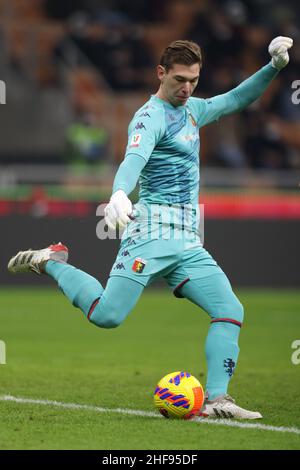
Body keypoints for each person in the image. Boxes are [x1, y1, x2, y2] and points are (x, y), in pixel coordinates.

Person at [8, 36, 293, 419]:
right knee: (108, 315)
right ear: (161, 73)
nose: (187, 87)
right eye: (179, 79)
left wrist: (273, 67)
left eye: (193, 79)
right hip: (150, 232)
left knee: (230, 308)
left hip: (188, 241)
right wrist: (120, 194)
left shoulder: (194, 110)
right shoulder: (149, 117)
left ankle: (218, 400)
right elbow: (133, 158)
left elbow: (238, 99)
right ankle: (53, 260)